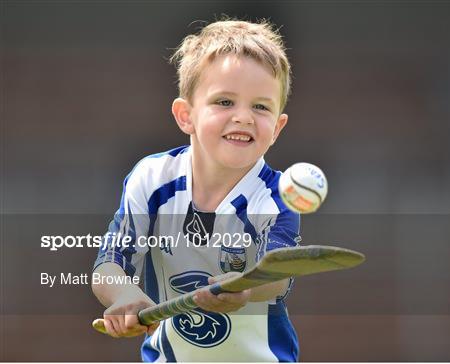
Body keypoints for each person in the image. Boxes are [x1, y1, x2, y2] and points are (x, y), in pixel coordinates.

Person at [92, 18, 301, 362]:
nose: (244, 117)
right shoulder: (153, 178)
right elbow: (110, 263)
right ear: (185, 115)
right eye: (224, 102)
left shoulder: (278, 195)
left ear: (277, 127)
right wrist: (125, 294)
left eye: (261, 106)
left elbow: (277, 276)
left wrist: (244, 287)